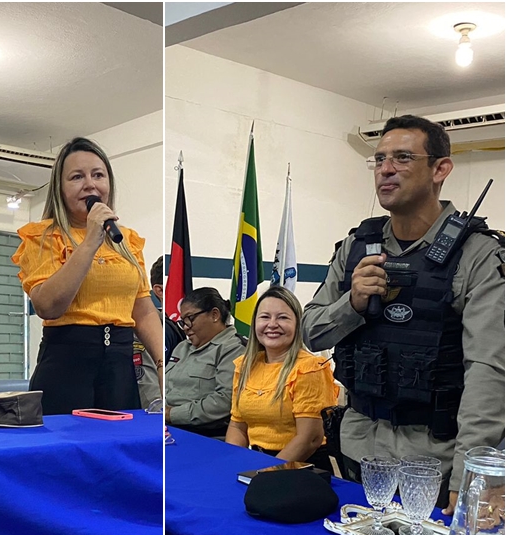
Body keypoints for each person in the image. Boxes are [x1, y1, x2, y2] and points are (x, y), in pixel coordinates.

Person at [303, 114, 505, 513]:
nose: (386, 169)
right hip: (360, 451)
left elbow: (488, 370)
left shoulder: (477, 253)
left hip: (436, 461)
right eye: (378, 160)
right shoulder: (356, 247)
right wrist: (353, 303)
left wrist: (472, 475)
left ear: (440, 169)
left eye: (403, 157)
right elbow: (311, 333)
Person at [13, 137, 164, 414]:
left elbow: (142, 309)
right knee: (66, 452)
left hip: (120, 363)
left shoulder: (127, 240)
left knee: (118, 449)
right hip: (66, 364)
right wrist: (91, 239)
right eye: (77, 177)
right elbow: (48, 306)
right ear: (60, 187)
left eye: (98, 175)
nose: (90, 184)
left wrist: (162, 362)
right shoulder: (43, 235)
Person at [225, 286, 337, 467]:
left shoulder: (310, 368)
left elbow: (309, 439)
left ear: (297, 324)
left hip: (300, 468)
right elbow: (237, 426)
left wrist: (267, 472)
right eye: (265, 317)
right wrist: (236, 463)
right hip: (257, 463)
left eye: (283, 317)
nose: (272, 324)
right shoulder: (245, 366)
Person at [163, 288, 245, 436]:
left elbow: (224, 401)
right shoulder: (182, 347)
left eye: (190, 318)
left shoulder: (233, 349)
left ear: (214, 315)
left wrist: (172, 414)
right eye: (182, 321)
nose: (186, 327)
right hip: (168, 430)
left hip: (207, 437)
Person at [136, 255, 175, 409]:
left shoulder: (182, 327)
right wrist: (159, 409)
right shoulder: (149, 327)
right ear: (160, 290)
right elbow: (145, 378)